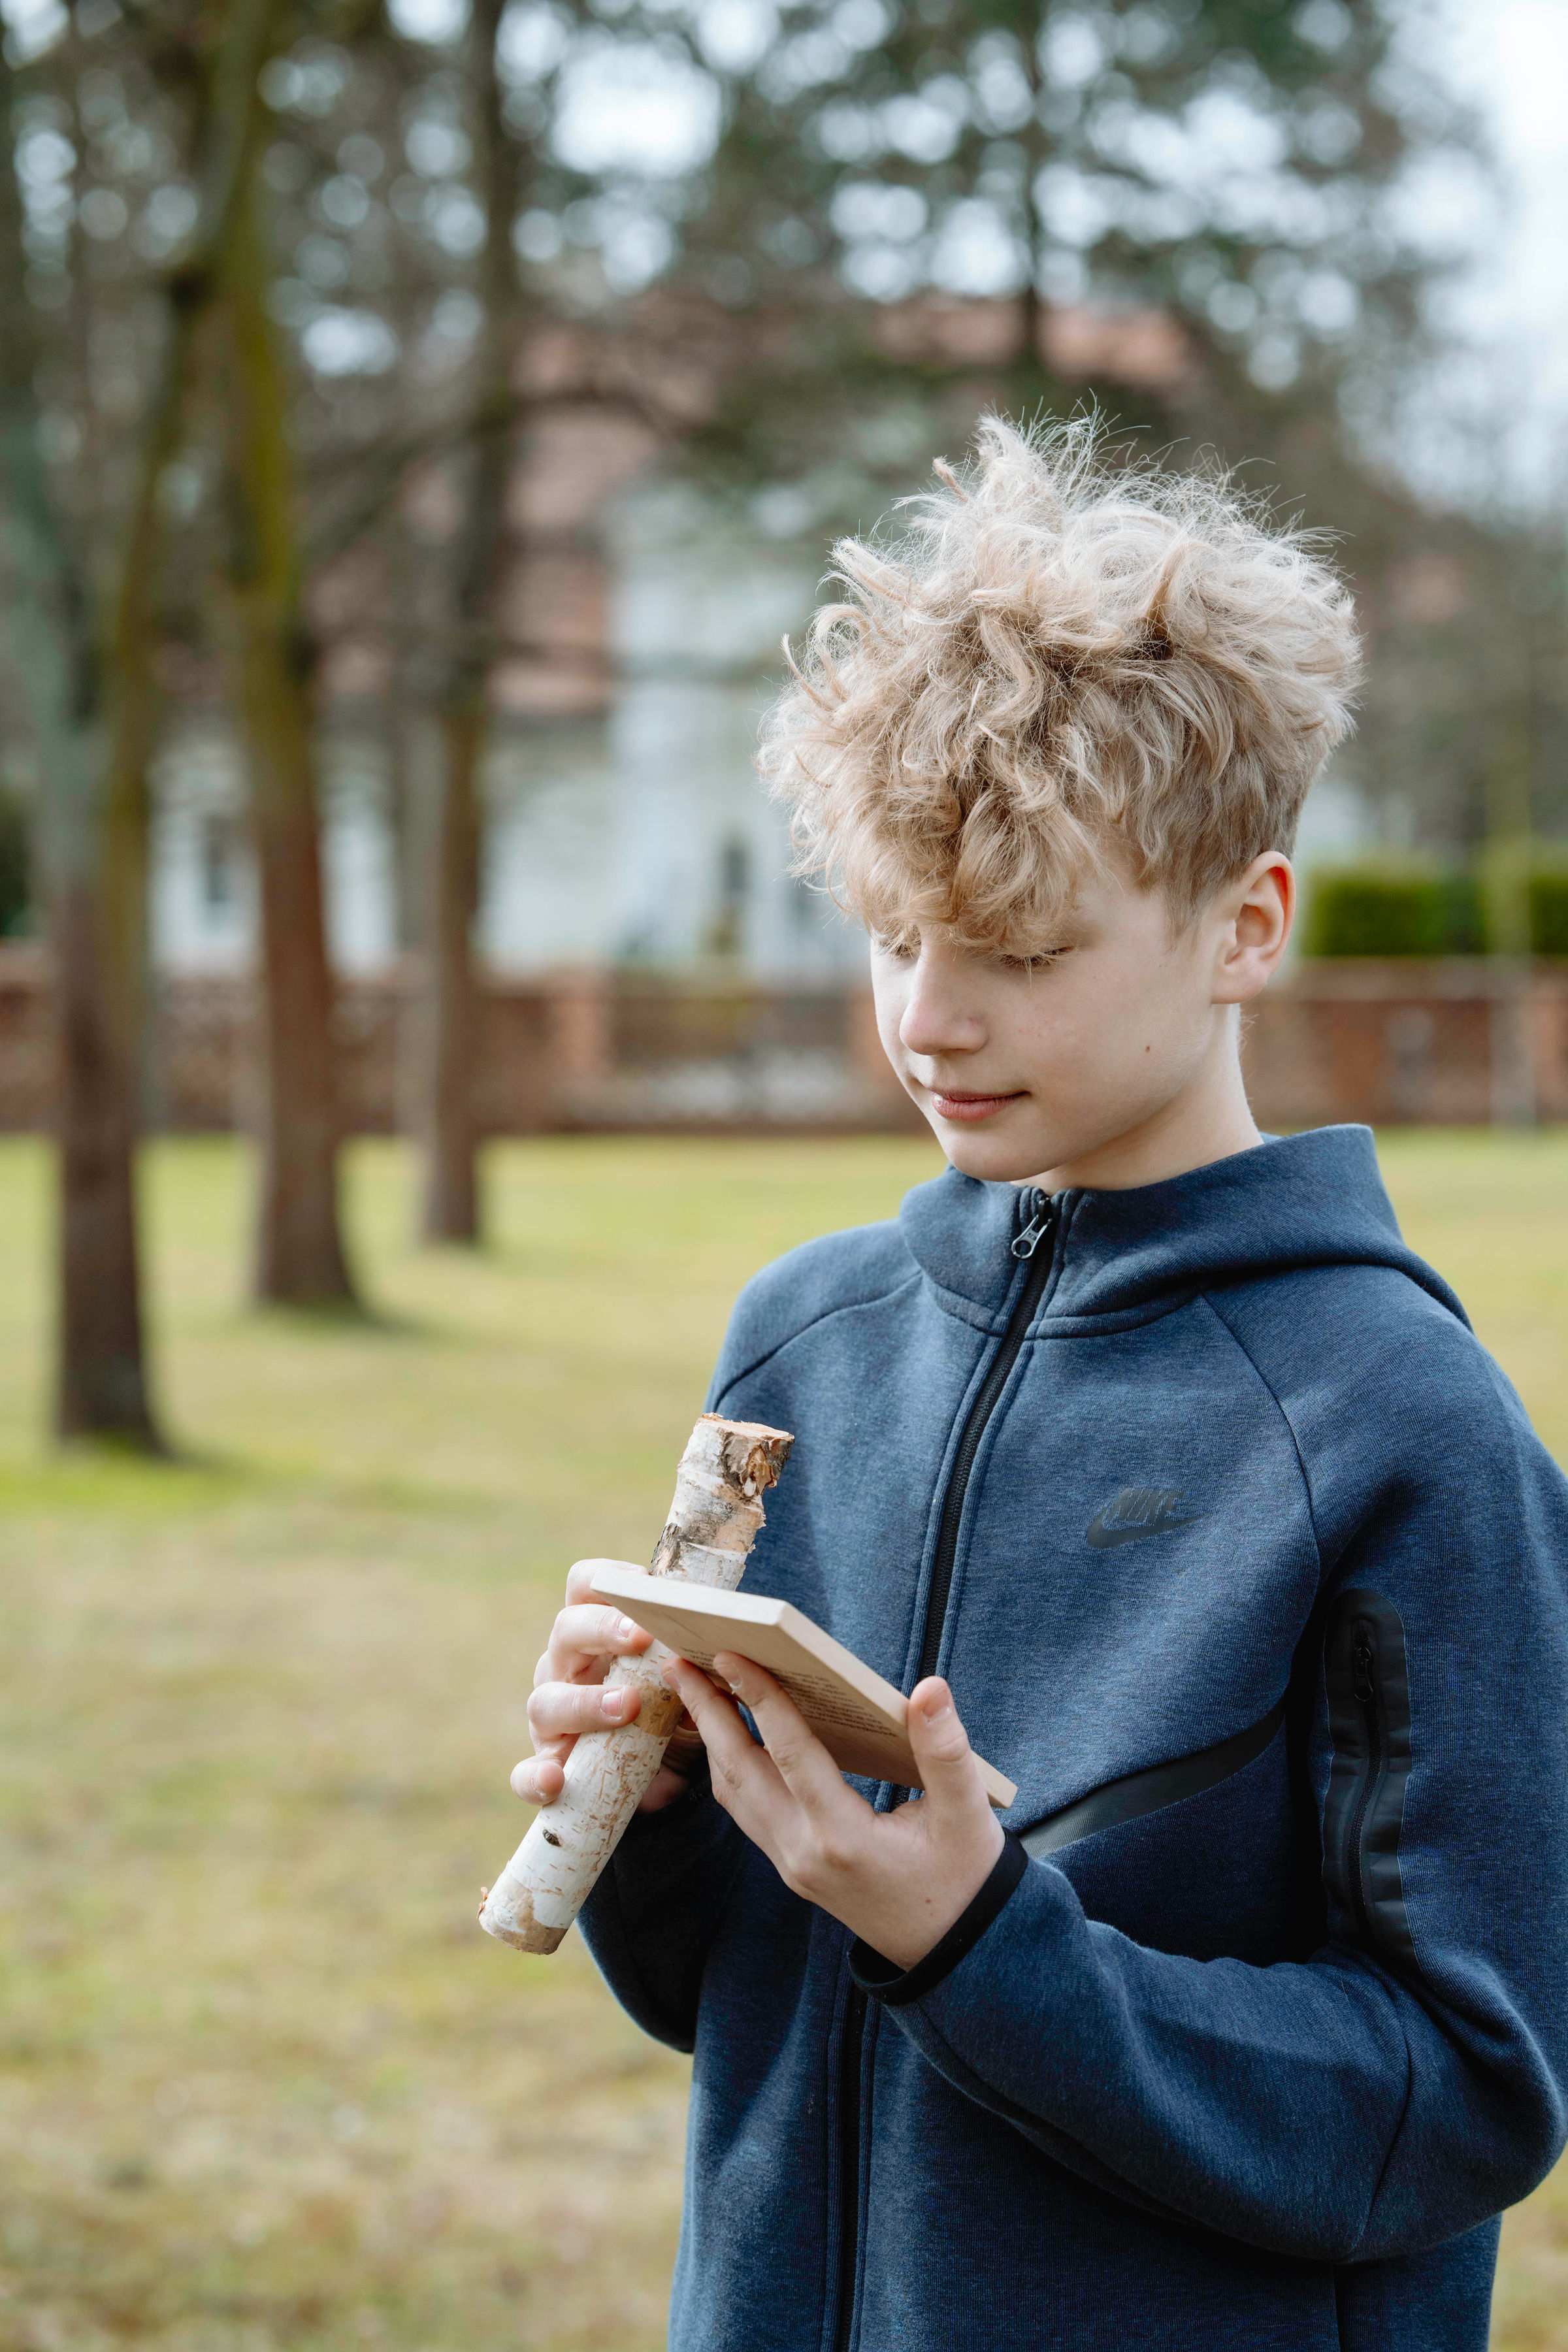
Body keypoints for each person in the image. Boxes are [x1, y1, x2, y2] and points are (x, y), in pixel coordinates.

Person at [510, 419, 1568, 2352]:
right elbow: (739, 2005)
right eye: (893, 934)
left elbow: (1464, 2099)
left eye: (1019, 947)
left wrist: (982, 1939)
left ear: (1247, 926)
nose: (928, 1017)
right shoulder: (804, 1340)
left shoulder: (1406, 1429)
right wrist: (658, 1811)